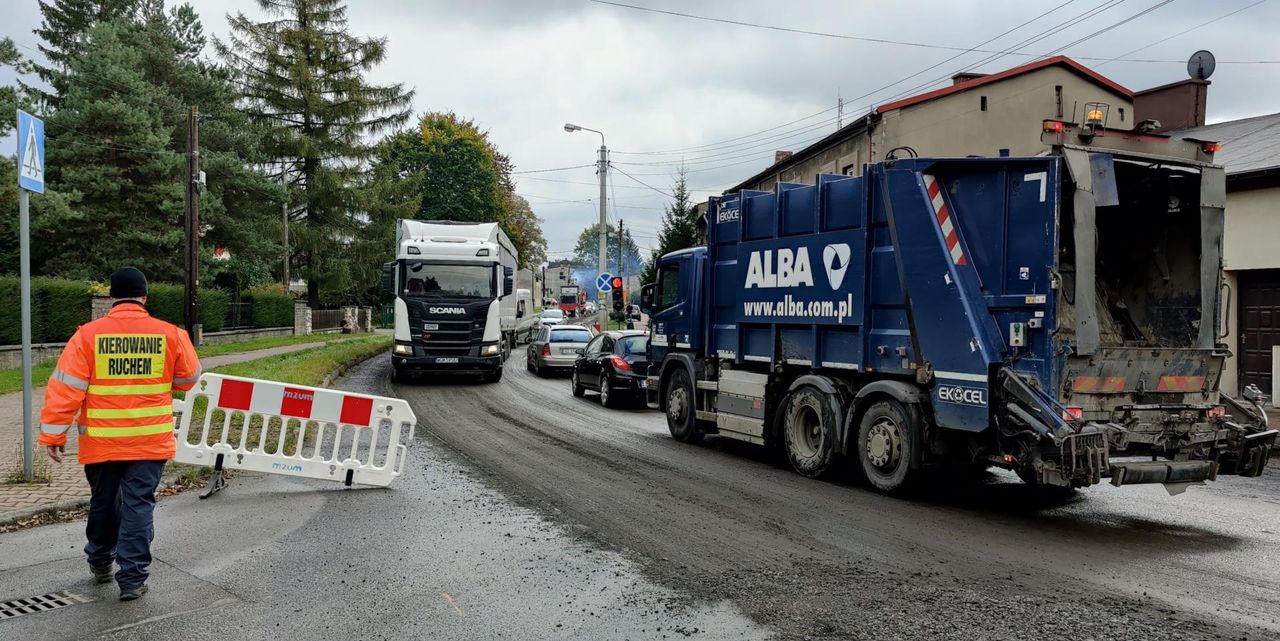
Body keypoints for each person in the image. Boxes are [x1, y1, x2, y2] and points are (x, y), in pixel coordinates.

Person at [39, 267, 201, 601]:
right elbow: (188, 380)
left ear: (111, 297)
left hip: (101, 442)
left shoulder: (87, 335)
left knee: (103, 503)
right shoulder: (170, 334)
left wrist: (54, 434)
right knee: (138, 506)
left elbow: (65, 389)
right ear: (145, 296)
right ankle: (133, 579)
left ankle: (100, 561)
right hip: (149, 442)